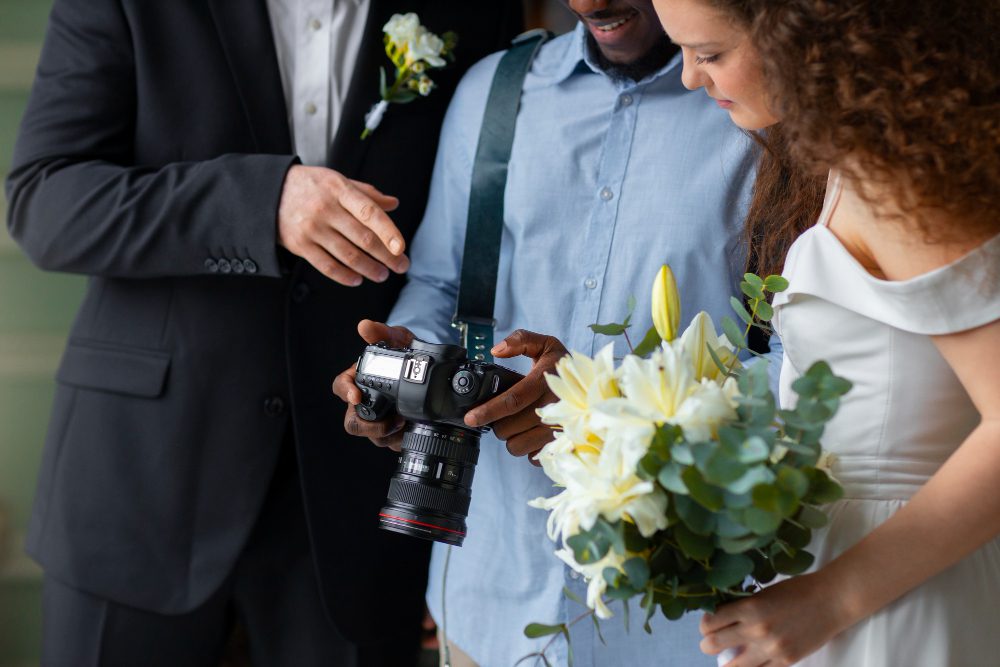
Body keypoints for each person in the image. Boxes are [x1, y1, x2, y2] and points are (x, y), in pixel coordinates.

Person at [5, 1, 521, 665]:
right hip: (139, 487)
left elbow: (480, 238)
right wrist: (261, 204)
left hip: (361, 503)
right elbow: (46, 199)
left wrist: (458, 546)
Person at [333, 1, 758, 664]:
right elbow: (444, 282)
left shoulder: (751, 102)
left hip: (681, 622)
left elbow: (793, 353)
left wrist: (598, 415)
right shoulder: (491, 93)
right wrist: (402, 369)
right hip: (491, 601)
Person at [651, 0, 1000, 665]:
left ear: (803, 32)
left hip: (894, 595)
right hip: (854, 570)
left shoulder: (891, 175)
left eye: (711, 54)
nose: (692, 79)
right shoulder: (854, 160)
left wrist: (834, 598)